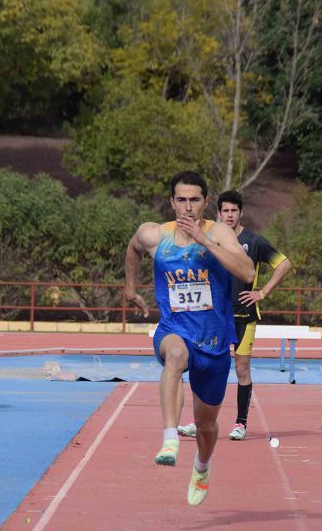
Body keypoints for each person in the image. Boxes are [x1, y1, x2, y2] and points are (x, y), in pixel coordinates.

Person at [124, 171, 254, 506]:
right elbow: (134, 247)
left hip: (212, 343)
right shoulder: (155, 234)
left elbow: (248, 272)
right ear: (171, 202)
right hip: (173, 330)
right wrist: (129, 288)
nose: (188, 206)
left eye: (194, 199)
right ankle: (169, 438)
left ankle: (202, 466)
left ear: (205, 202)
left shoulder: (219, 232)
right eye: (181, 200)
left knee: (206, 425)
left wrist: (205, 242)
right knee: (175, 356)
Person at [178, 189, 292, 441]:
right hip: (213, 316)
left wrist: (262, 293)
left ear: (241, 213)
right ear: (218, 213)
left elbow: (284, 265)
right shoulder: (207, 238)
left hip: (244, 316)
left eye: (233, 211)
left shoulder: (254, 241)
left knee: (241, 367)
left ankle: (241, 423)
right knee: (206, 367)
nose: (229, 215)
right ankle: (201, 421)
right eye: (225, 211)